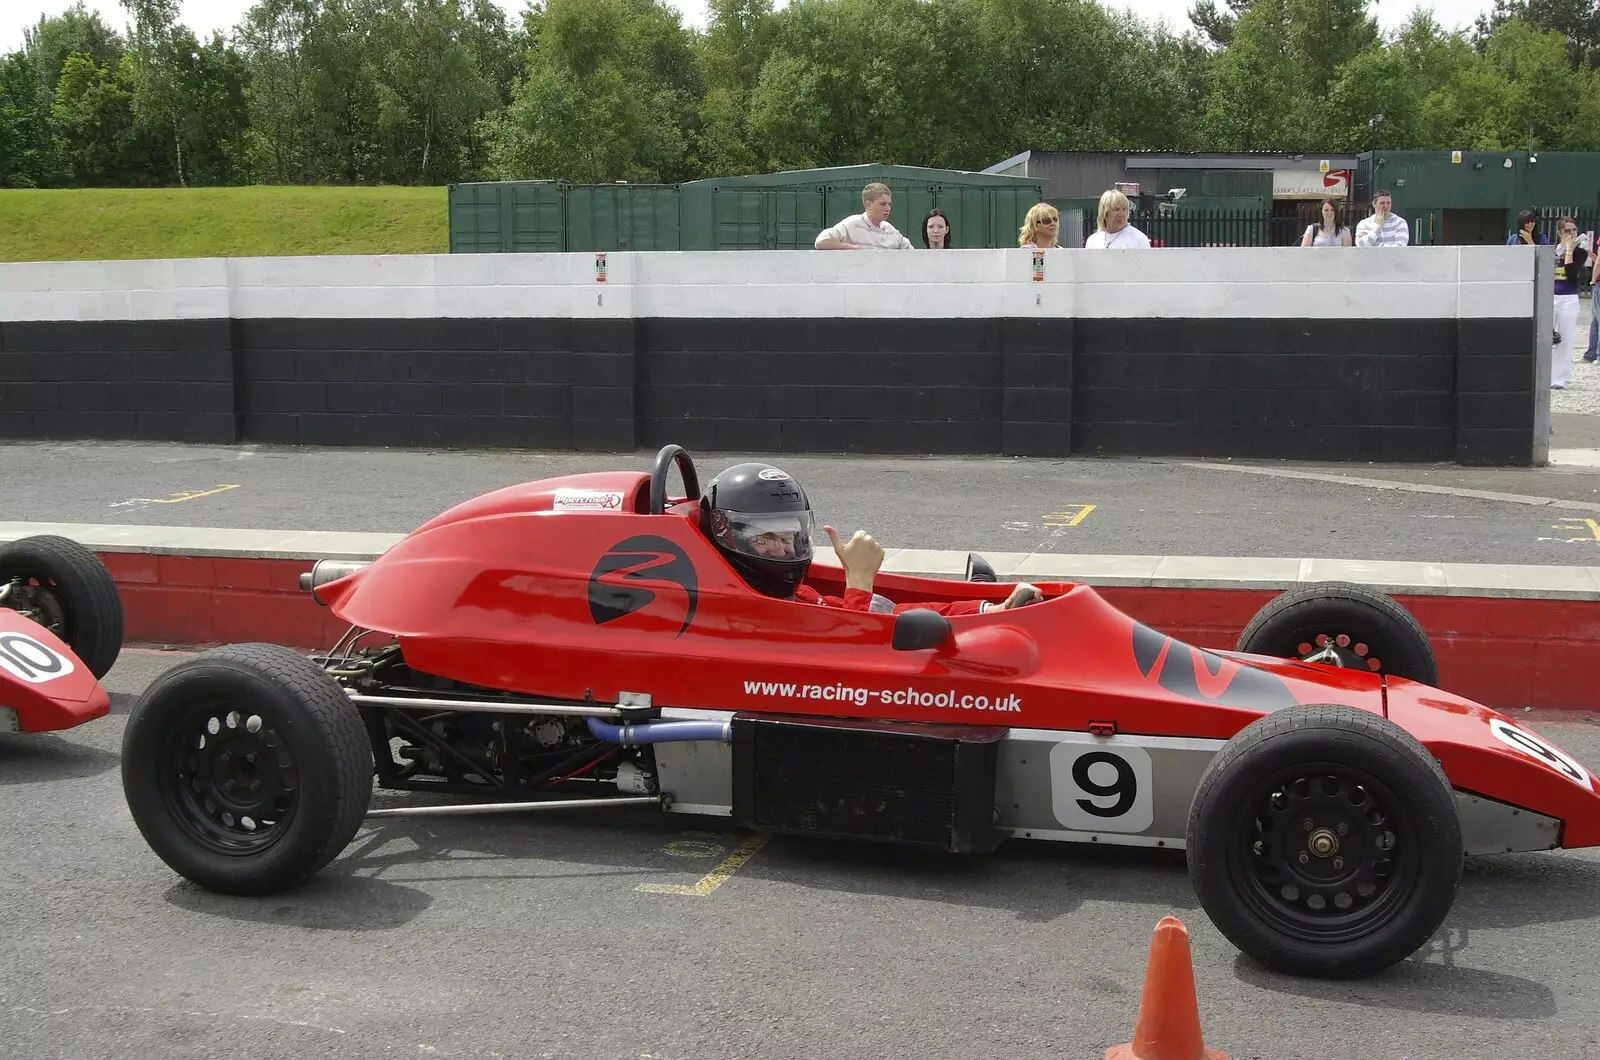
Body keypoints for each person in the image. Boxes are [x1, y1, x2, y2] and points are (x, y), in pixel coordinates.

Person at [697, 462, 1041, 616]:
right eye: (768, 537)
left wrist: (986, 609)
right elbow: (852, 643)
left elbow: (890, 614)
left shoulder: (793, 593)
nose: (784, 550)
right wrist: (858, 580)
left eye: (791, 537)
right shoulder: (746, 610)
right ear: (728, 534)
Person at [814, 182, 914, 250]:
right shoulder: (852, 224)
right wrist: (851, 248)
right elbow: (820, 241)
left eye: (889, 204)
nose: (888, 208)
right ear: (867, 204)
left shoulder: (891, 231)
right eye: (883, 204)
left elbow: (913, 253)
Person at [1551, 215, 1589, 389]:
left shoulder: (1579, 253)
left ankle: (1560, 378)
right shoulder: (1553, 251)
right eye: (1568, 230)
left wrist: (1569, 252)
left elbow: (1571, 275)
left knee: (1565, 338)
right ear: (1560, 232)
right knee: (1548, 338)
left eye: (1574, 230)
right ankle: (1545, 375)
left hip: (1568, 298)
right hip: (1551, 298)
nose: (1572, 234)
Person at [1083, 189, 1150, 249]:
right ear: (1105, 212)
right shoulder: (1093, 240)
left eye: (1124, 209)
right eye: (1116, 209)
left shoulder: (1139, 239)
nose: (1121, 214)